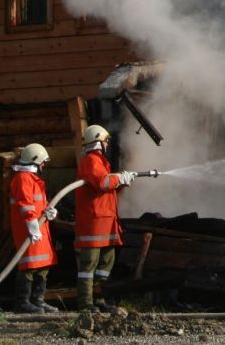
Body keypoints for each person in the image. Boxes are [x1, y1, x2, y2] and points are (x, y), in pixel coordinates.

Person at [75, 124, 135, 313]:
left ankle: (99, 299)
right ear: (97, 142)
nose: (108, 144)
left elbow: (107, 188)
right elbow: (102, 182)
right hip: (94, 221)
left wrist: (122, 182)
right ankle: (85, 303)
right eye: (105, 140)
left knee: (106, 262)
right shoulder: (91, 160)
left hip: (106, 220)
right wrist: (118, 179)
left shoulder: (101, 162)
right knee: (89, 264)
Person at [8, 143, 60, 313]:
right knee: (29, 265)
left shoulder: (33, 179)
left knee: (42, 264)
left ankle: (38, 301)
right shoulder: (23, 178)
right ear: (34, 160)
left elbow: (37, 204)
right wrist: (32, 225)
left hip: (39, 228)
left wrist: (48, 210)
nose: (44, 164)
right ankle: (22, 303)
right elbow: (25, 205)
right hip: (28, 230)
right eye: (43, 161)